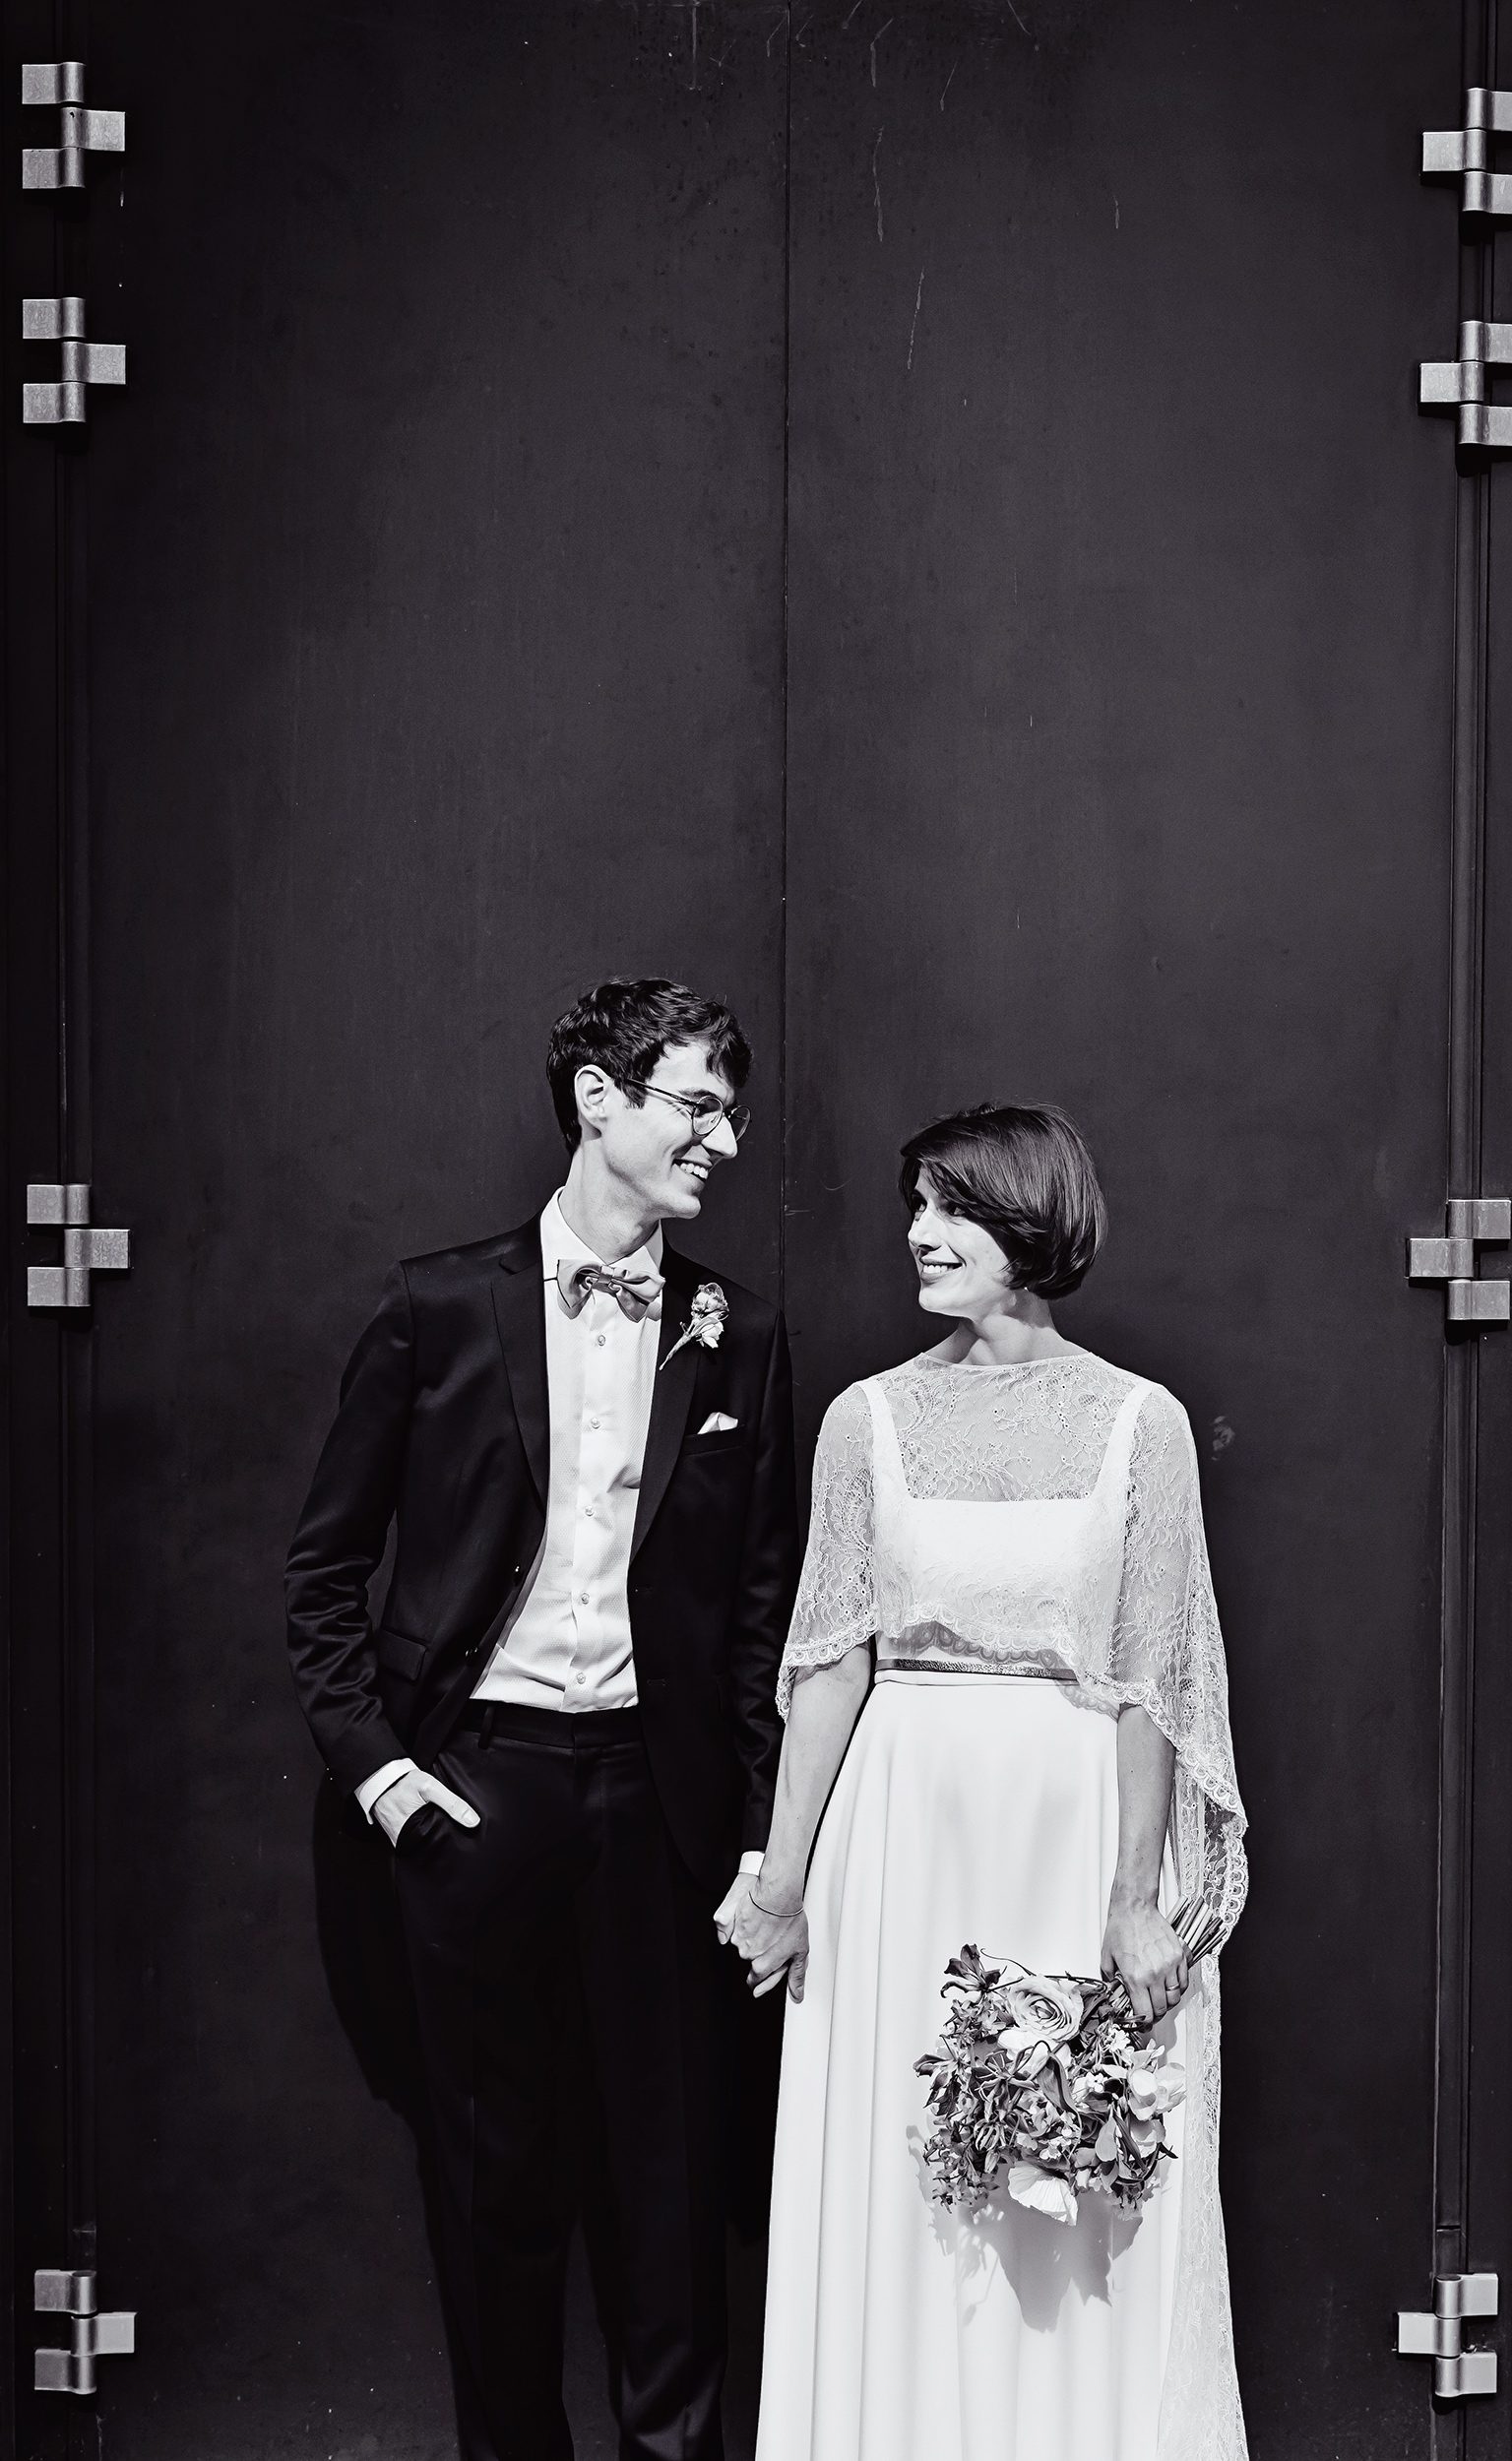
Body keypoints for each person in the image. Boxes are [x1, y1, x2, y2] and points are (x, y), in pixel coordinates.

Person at [285, 978, 798, 2461]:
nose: (724, 1140)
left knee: (669, 2195)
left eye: (732, 1112)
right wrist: (385, 1775)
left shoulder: (742, 1334)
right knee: (494, 2193)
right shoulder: (435, 1306)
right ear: (599, 1100)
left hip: (659, 1811)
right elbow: (323, 1569)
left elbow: (763, 1619)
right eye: (696, 1105)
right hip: (478, 1789)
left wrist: (761, 1847)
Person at [732, 1103, 1248, 2461]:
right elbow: (830, 1663)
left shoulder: (1143, 1426)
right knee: (905, 2181)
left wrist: (1136, 1904)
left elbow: (1152, 1681)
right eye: (916, 1203)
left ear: (1032, 1222)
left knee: (1068, 2188)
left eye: (952, 1206)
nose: (919, 1231)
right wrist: (784, 1886)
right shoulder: (867, 1420)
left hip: (1072, 1829)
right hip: (901, 1836)